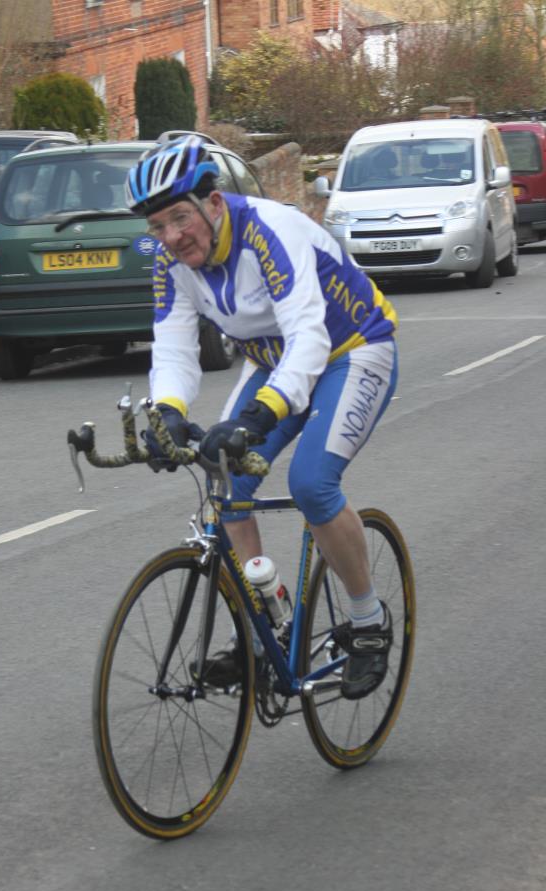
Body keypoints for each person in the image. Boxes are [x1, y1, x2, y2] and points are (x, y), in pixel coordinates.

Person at [125, 135, 399, 701]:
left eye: (180, 217)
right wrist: (168, 413)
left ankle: (368, 622)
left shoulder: (270, 231)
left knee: (311, 484)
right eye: (158, 225)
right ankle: (259, 630)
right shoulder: (170, 261)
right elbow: (172, 345)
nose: (171, 236)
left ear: (214, 203)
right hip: (276, 361)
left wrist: (257, 416)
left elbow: (309, 337)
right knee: (226, 480)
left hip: (351, 350)